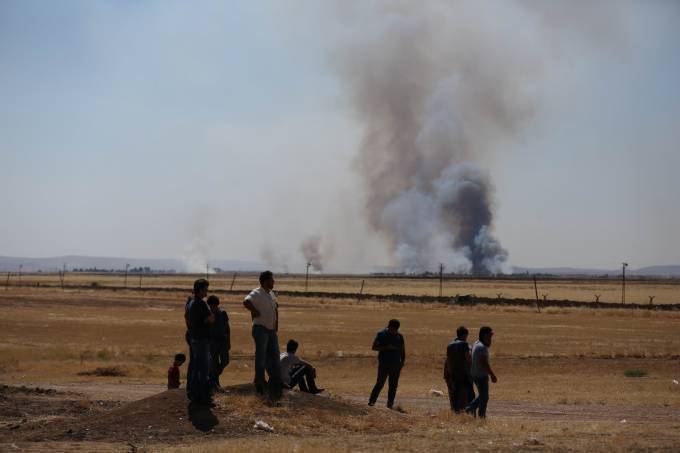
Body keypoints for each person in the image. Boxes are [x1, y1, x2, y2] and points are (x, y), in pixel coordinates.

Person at [243, 270, 282, 401]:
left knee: (275, 354)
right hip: (261, 329)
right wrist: (254, 311)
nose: (273, 282)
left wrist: (276, 324)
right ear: (265, 281)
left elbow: (275, 309)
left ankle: (275, 379)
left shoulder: (271, 294)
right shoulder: (257, 292)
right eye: (271, 280)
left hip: (271, 330)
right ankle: (259, 379)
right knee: (261, 356)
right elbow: (246, 302)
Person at [187, 278, 215, 406]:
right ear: (200, 290)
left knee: (196, 367)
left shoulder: (191, 302)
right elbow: (211, 319)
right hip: (202, 339)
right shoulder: (201, 304)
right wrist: (209, 317)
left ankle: (194, 395)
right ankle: (204, 397)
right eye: (205, 290)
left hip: (195, 338)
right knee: (203, 369)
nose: (206, 293)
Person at [368, 319, 405, 409]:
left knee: (393, 386)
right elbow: (374, 347)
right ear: (389, 327)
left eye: (395, 330)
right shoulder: (381, 334)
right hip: (384, 364)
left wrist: (402, 363)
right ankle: (371, 402)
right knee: (380, 383)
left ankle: (390, 404)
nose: (394, 332)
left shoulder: (400, 336)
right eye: (392, 329)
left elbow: (403, 351)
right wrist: (386, 348)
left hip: (396, 365)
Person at [465, 326, 497, 418]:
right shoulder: (482, 347)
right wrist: (492, 375)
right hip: (481, 375)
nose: (490, 338)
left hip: (475, 374)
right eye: (489, 335)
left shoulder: (477, 343)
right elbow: (484, 363)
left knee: (483, 396)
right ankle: (470, 410)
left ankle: (478, 413)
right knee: (484, 397)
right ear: (484, 335)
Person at [444, 326, 475, 413]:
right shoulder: (464, 344)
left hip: (454, 375)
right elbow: (468, 358)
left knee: (455, 395)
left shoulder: (449, 346)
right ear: (465, 335)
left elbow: (448, 361)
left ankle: (455, 412)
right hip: (464, 375)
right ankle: (470, 413)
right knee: (470, 395)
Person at [207, 295, 230, 391]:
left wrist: (228, 341)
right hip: (212, 342)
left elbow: (227, 328)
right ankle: (215, 383)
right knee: (214, 363)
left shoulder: (223, 313)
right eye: (212, 306)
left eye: (215, 305)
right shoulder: (208, 314)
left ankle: (216, 375)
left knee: (225, 361)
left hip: (223, 341)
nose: (213, 307)